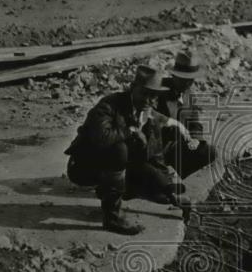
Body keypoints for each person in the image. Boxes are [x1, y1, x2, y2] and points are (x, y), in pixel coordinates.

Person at [64, 65, 192, 235]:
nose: (148, 100)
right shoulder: (109, 105)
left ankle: (117, 190)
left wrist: (170, 190)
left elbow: (155, 157)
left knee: (161, 191)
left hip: (115, 165)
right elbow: (101, 138)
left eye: (153, 96)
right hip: (83, 166)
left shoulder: (148, 115)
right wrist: (131, 131)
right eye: (144, 93)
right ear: (132, 89)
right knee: (120, 149)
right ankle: (112, 219)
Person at [157, 48, 218, 182]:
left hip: (176, 147)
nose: (187, 83)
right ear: (174, 75)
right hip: (155, 147)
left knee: (209, 152)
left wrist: (196, 139)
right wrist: (171, 122)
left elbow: (194, 122)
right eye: (183, 79)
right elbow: (147, 115)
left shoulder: (189, 94)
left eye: (191, 80)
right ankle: (160, 172)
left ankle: (176, 172)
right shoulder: (159, 89)